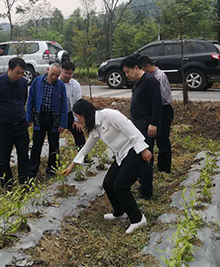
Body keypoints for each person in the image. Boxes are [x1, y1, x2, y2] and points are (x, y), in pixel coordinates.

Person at [62, 99, 152, 234]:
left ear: (84, 114)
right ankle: (120, 212)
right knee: (108, 184)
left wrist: (142, 148)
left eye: (77, 116)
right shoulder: (95, 126)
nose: (77, 119)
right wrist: (72, 165)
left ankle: (138, 219)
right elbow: (87, 146)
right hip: (121, 155)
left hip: (134, 152)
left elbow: (130, 128)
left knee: (121, 186)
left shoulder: (109, 115)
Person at [121, 55, 162, 200]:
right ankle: (142, 184)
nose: (127, 75)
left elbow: (157, 104)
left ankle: (146, 193)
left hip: (147, 125)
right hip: (138, 124)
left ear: (136, 68)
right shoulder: (138, 82)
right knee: (139, 154)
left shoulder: (150, 81)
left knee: (146, 157)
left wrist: (153, 123)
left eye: (127, 72)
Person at [0, 57, 30, 189]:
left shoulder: (22, 83)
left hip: (21, 125)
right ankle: (7, 184)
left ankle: (24, 183)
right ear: (9, 69)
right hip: (4, 127)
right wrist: (2, 114)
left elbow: (23, 100)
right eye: (17, 72)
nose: (20, 75)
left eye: (22, 73)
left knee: (23, 155)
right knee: (4, 158)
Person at [27, 63, 68, 179]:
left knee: (54, 145)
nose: (54, 77)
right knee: (36, 145)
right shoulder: (37, 81)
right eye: (52, 74)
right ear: (48, 70)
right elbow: (30, 100)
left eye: (57, 75)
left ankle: (52, 170)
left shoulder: (60, 85)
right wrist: (29, 117)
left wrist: (62, 123)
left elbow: (64, 105)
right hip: (40, 117)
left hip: (53, 118)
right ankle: (33, 170)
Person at [139, 56, 174, 174]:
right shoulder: (152, 77)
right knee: (156, 138)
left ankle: (165, 168)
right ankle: (159, 165)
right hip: (157, 110)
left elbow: (162, 98)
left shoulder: (159, 77)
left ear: (148, 66)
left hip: (164, 110)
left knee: (162, 139)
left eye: (143, 69)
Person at [59, 61, 86, 150]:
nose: (67, 75)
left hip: (70, 112)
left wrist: (76, 120)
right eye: (65, 73)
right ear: (61, 71)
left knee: (78, 133)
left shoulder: (75, 85)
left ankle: (83, 158)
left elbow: (78, 102)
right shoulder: (55, 82)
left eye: (69, 73)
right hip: (57, 114)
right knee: (54, 135)